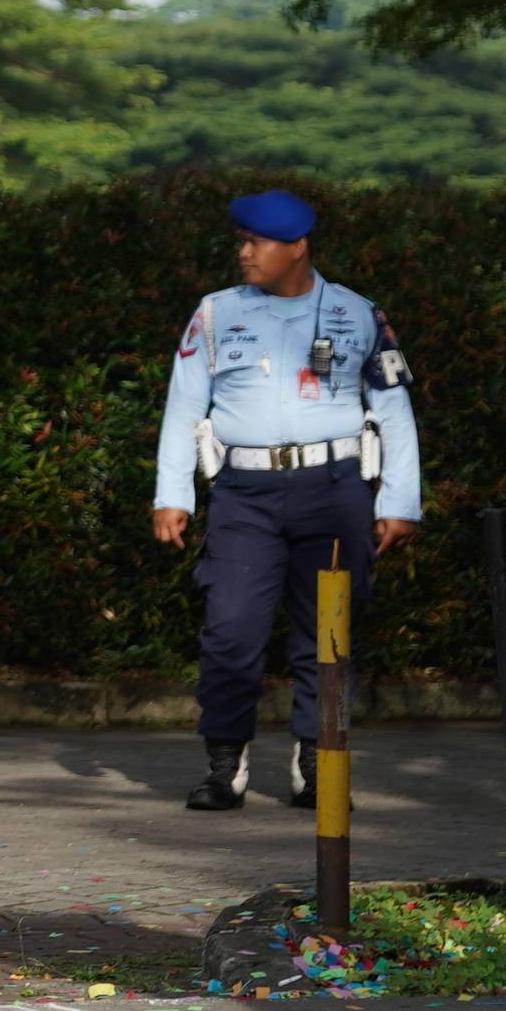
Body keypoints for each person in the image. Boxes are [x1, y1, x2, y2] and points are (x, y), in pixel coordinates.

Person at [152, 190, 421, 812]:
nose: (243, 253)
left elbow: (393, 410)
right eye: (241, 242)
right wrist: (172, 495)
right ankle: (226, 766)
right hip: (243, 494)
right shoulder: (215, 313)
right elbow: (183, 407)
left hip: (334, 489)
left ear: (297, 247)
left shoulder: (358, 313)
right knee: (229, 630)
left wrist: (400, 501)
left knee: (327, 633)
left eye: (256, 243)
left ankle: (316, 763)